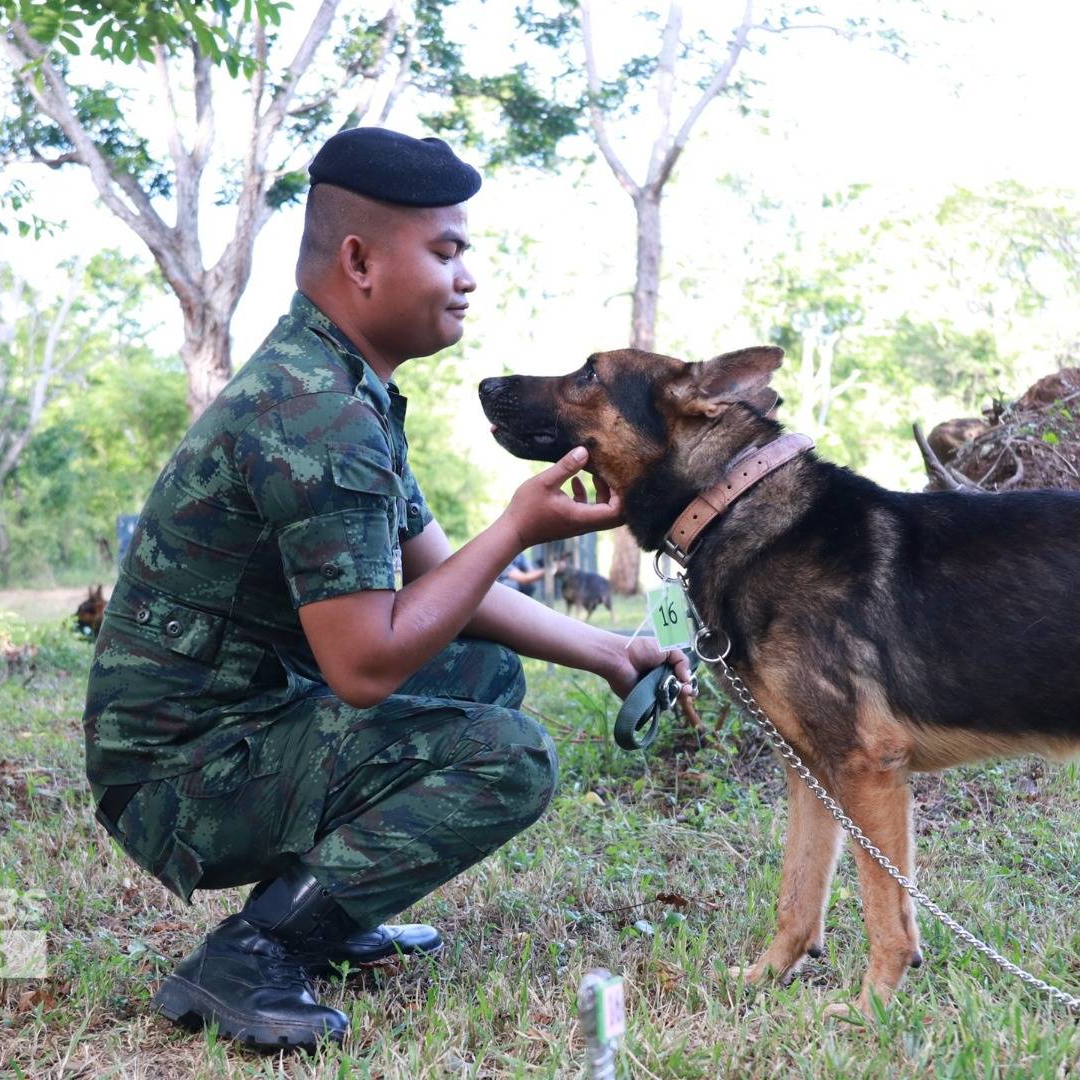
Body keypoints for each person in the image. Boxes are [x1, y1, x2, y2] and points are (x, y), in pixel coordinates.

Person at [81, 128, 693, 1050]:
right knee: (507, 754)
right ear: (360, 260)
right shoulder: (317, 414)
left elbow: (444, 584)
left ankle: (319, 909)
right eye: (446, 251)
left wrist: (614, 652)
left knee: (481, 669)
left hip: (238, 730)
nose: (467, 276)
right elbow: (365, 666)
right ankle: (253, 951)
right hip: (181, 780)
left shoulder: (335, 383)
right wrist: (517, 528)